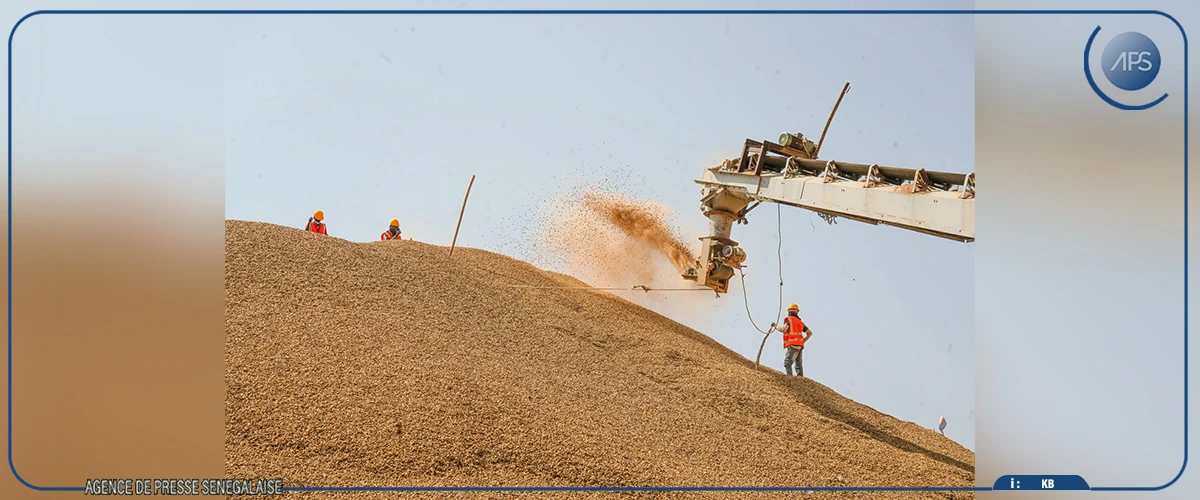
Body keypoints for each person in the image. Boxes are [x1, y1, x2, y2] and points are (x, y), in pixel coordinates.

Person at [771, 303, 813, 377]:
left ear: (789, 312)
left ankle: (790, 379)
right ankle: (801, 380)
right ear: (797, 312)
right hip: (800, 345)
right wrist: (802, 341)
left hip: (793, 345)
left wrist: (775, 326)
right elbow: (809, 333)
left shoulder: (788, 319)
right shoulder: (800, 323)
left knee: (787, 363)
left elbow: (783, 329)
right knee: (798, 364)